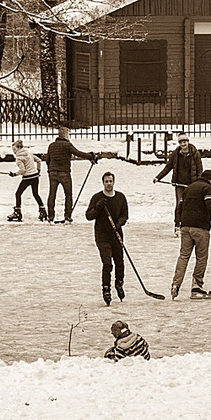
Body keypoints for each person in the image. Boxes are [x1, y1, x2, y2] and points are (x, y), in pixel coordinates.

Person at [170, 169, 211, 300]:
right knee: (201, 257)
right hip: (200, 228)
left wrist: (178, 223)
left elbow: (179, 207)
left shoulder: (188, 188)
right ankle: (196, 287)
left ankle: (175, 284)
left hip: (185, 227)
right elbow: (210, 205)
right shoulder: (208, 189)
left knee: (183, 256)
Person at [84, 170, 130, 305]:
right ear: (103, 183)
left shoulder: (120, 197)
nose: (109, 184)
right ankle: (106, 288)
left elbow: (124, 215)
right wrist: (97, 208)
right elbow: (88, 216)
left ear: (113, 182)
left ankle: (119, 283)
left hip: (116, 235)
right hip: (102, 235)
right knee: (107, 263)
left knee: (120, 263)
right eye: (106, 181)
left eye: (110, 181)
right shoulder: (97, 197)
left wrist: (118, 224)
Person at [153, 132, 204, 227]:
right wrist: (158, 177)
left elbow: (199, 169)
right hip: (179, 184)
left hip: (192, 185)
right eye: (181, 142)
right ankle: (177, 225)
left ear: (188, 142)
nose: (183, 144)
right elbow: (168, 167)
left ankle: (190, 225)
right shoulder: (175, 154)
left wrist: (199, 183)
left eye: (184, 142)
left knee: (191, 205)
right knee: (179, 205)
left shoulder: (195, 153)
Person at [44, 127, 89, 223]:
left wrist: (50, 169)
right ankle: (67, 215)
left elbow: (47, 159)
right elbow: (78, 153)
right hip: (64, 172)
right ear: (65, 135)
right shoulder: (68, 145)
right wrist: (91, 156)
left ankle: (51, 216)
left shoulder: (51, 145)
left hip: (53, 172)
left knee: (52, 194)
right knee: (68, 194)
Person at [7, 139, 47, 222]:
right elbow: (39, 160)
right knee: (35, 194)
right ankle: (43, 211)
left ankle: (18, 212)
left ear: (18, 148)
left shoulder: (19, 158)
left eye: (14, 149)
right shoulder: (29, 152)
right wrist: (38, 170)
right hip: (35, 176)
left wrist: (14, 174)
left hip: (27, 178)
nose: (13, 152)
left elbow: (23, 170)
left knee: (18, 194)